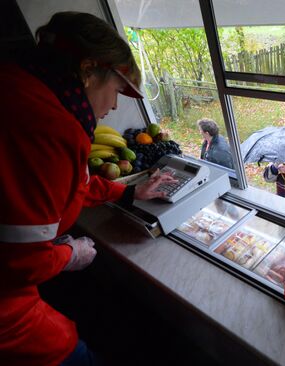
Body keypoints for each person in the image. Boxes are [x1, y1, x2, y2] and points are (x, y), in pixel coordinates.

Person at [0, 12, 177, 366]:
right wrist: (71, 255)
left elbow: (73, 183)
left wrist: (128, 192)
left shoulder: (17, 84)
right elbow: (23, 262)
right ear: (87, 70)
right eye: (115, 91)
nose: (113, 106)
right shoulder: (52, 128)